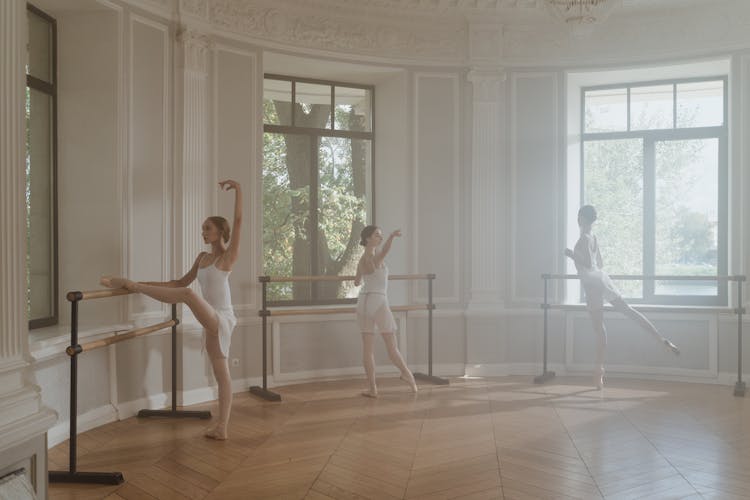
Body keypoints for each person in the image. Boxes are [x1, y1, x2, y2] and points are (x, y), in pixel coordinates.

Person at [101, 179, 242, 439]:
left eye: (207, 228)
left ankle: (131, 284)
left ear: (221, 231)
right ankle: (222, 427)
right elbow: (177, 283)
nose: (203, 233)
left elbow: (240, 220)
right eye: (202, 229)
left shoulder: (227, 257)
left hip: (222, 318)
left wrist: (238, 189)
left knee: (188, 296)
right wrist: (143, 283)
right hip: (209, 318)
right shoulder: (202, 258)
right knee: (222, 374)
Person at [565, 205, 679, 389]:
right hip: (601, 279)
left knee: (599, 329)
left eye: (578, 217)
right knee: (628, 311)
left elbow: (586, 262)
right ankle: (661, 339)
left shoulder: (582, 240)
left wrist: (570, 254)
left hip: (592, 285)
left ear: (581, 218)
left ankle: (598, 372)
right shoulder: (593, 238)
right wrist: (582, 259)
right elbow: (599, 263)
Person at [354, 226, 418, 397]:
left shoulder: (362, 259)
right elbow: (385, 251)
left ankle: (373, 388)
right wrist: (391, 237)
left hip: (363, 302)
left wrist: (368, 274)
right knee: (391, 345)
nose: (380, 238)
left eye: (381, 236)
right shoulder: (375, 256)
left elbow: (356, 282)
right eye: (377, 235)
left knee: (367, 349)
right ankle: (407, 375)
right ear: (368, 239)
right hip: (378, 300)